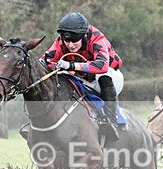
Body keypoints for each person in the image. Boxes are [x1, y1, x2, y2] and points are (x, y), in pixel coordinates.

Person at [42, 12, 124, 142]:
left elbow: (102, 65)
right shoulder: (61, 41)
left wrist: (71, 65)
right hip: (84, 79)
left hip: (110, 79)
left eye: (75, 41)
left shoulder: (97, 38)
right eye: (67, 40)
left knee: (104, 75)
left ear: (84, 36)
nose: (70, 45)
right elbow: (46, 61)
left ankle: (112, 122)